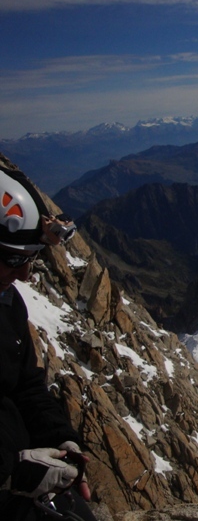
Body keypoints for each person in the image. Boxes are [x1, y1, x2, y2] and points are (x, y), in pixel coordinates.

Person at [0, 162, 95, 521]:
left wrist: (60, 440)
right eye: (12, 259)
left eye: (30, 259)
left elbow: (25, 385)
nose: (24, 274)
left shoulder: (6, 304)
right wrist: (12, 472)